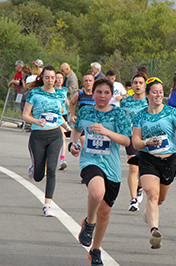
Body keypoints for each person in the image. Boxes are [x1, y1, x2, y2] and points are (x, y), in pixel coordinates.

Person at [69, 77, 131, 266]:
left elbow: (127, 141)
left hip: (112, 166)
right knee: (97, 192)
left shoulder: (119, 114)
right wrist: (72, 144)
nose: (102, 96)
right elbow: (76, 130)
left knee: (105, 212)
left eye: (106, 93)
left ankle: (95, 250)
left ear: (112, 95)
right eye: (99, 92)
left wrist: (107, 132)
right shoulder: (85, 110)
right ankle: (89, 222)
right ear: (93, 93)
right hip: (90, 161)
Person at [131, 77, 176, 249]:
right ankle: (154, 231)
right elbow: (135, 142)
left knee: (159, 199)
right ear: (147, 94)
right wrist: (146, 142)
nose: (158, 95)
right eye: (154, 92)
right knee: (151, 194)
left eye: (161, 92)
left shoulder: (171, 112)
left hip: (168, 161)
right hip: (148, 159)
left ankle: (150, 214)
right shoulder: (140, 116)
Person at [23, 65, 71, 217]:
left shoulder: (60, 94)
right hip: (38, 136)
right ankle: (34, 167)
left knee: (51, 169)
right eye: (47, 77)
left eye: (53, 78)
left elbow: (58, 115)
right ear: (42, 78)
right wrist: (36, 121)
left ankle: (47, 205)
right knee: (38, 176)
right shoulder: (35, 93)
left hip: (55, 135)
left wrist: (67, 127)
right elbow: (25, 116)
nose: (50, 80)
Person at [120, 72, 149, 212]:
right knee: (133, 167)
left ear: (145, 85)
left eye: (140, 83)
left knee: (143, 169)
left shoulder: (150, 101)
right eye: (135, 82)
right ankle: (133, 200)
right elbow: (121, 119)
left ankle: (140, 186)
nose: (138, 85)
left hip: (147, 139)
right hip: (131, 137)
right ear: (131, 85)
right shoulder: (125, 101)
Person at [69, 73, 96, 148]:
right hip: (82, 124)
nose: (88, 83)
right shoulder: (79, 94)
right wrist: (73, 115)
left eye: (90, 81)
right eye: (86, 81)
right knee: (85, 143)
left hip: (93, 124)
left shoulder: (96, 95)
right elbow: (71, 103)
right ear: (83, 82)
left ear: (93, 82)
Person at [55, 71, 70, 170]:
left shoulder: (65, 89)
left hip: (63, 115)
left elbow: (67, 101)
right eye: (58, 78)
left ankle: (62, 160)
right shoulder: (52, 90)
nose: (59, 80)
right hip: (54, 114)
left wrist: (68, 105)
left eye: (61, 78)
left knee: (63, 137)